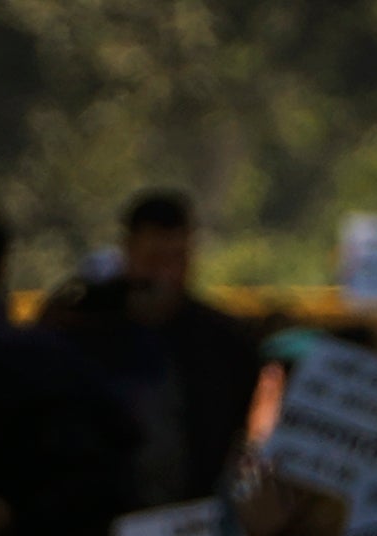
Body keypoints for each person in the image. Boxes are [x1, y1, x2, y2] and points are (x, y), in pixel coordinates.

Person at [41, 190, 262, 513]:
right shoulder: (84, 329)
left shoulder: (224, 342)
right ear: (129, 253)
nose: (166, 276)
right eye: (154, 260)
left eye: (178, 260)